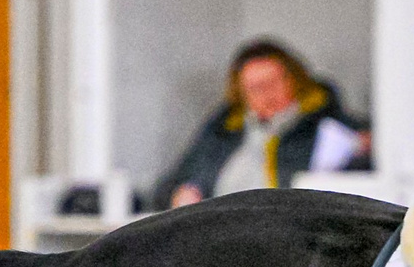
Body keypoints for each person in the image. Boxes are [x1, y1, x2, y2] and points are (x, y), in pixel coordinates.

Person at [158, 38, 371, 207]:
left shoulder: (326, 124)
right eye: (254, 88)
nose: (266, 95)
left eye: (272, 83)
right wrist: (183, 193)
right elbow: (168, 186)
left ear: (295, 80)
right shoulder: (224, 130)